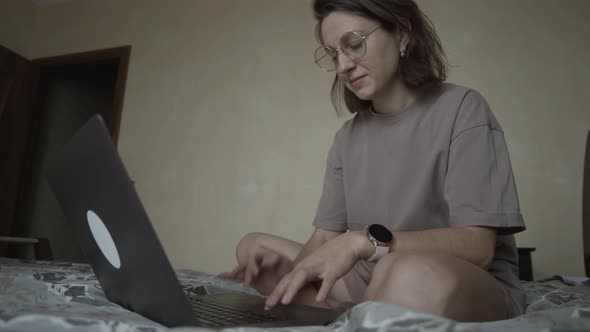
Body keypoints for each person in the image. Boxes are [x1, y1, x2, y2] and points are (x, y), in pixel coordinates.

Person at [221, 0, 526, 322]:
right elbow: (324, 238)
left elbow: (479, 247)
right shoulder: (347, 138)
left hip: (456, 278)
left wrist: (362, 242)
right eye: (333, 54)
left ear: (403, 35)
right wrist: (289, 279)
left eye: (354, 45)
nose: (343, 66)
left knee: (407, 271)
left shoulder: (463, 108)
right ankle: (370, 308)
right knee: (255, 248)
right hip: (368, 276)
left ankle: (379, 304)